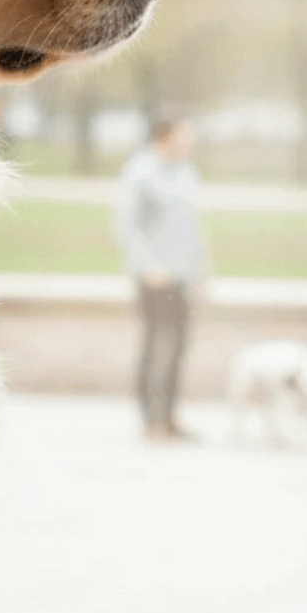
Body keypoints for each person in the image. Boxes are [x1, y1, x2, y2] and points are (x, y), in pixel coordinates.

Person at [117, 109, 206, 441]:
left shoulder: (187, 173)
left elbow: (192, 228)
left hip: (182, 276)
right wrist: (146, 266)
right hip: (154, 278)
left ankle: (170, 416)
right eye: (186, 133)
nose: (192, 140)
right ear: (166, 135)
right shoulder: (141, 173)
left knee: (179, 346)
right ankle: (151, 419)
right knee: (157, 346)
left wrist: (200, 271)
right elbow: (128, 227)